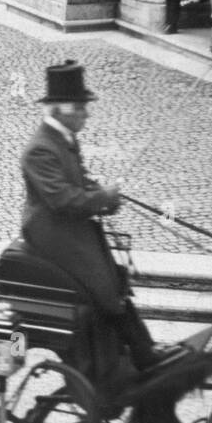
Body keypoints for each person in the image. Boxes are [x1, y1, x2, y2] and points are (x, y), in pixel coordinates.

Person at [20, 60, 175, 399]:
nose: (86, 116)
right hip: (50, 233)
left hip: (67, 226)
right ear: (62, 111)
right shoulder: (41, 148)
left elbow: (78, 182)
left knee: (114, 278)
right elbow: (60, 199)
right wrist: (101, 199)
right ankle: (133, 355)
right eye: (80, 109)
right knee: (104, 284)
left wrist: (102, 196)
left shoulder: (62, 139)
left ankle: (140, 349)